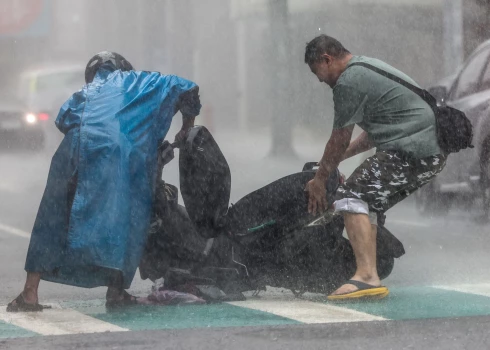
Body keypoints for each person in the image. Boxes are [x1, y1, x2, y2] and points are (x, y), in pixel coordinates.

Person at [7, 51, 201, 311]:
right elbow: (187, 88)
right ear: (124, 66)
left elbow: (62, 119)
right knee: (128, 218)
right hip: (120, 155)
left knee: (52, 218)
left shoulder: (84, 94)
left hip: (75, 150)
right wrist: (187, 126)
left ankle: (30, 292)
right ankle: (116, 291)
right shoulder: (141, 82)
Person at [304, 35, 446, 301]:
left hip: (413, 150)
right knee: (367, 201)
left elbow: (339, 137)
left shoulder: (348, 82)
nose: (319, 80)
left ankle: (367, 276)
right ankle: (371, 270)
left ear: (327, 59)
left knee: (350, 196)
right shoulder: (365, 67)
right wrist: (336, 160)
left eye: (317, 71)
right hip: (430, 153)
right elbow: (372, 134)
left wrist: (320, 178)